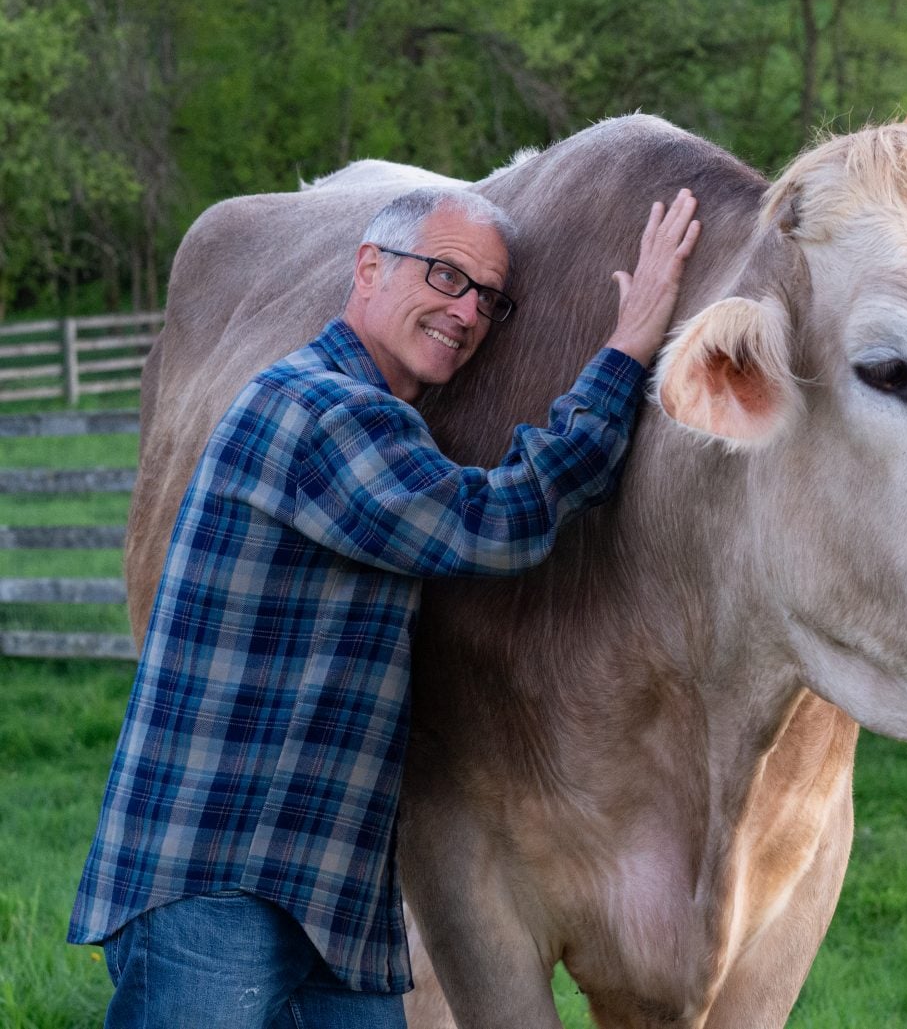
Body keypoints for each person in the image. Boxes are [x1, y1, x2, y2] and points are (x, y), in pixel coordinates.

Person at [68, 184, 701, 1028]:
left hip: (327, 886)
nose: (466, 310)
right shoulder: (314, 408)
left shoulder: (378, 419)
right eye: (445, 275)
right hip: (216, 870)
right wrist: (627, 346)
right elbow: (496, 522)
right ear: (369, 266)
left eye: (489, 298)